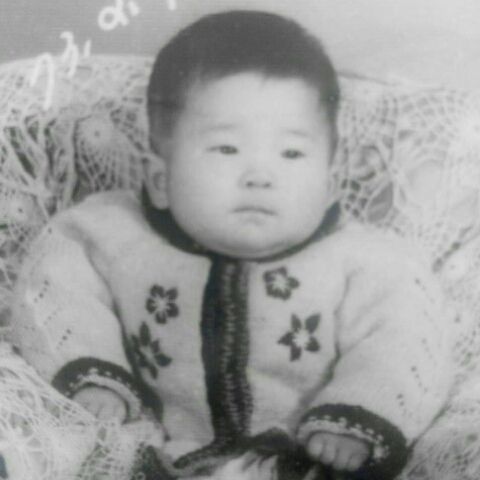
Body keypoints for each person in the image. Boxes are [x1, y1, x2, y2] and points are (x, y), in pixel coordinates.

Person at [11, 10, 452, 480]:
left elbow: (404, 345)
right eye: (226, 149)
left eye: (292, 152)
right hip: (151, 449)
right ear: (161, 179)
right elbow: (58, 290)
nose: (260, 175)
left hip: (306, 458)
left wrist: (357, 420)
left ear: (329, 183)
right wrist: (96, 375)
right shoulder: (108, 232)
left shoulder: (371, 261)